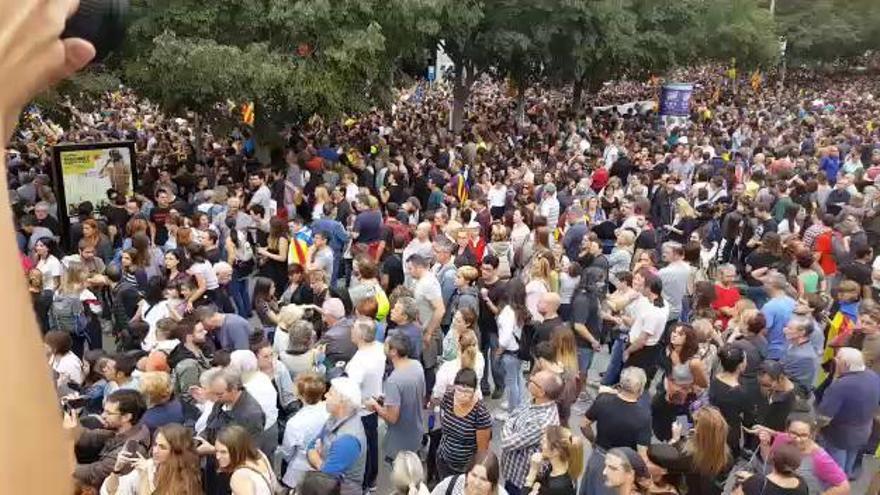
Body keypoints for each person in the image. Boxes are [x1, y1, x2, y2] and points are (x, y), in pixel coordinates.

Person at [579, 367, 652, 495]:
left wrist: (593, 440)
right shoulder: (643, 416)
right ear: (640, 389)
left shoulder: (603, 400)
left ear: (621, 383)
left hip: (598, 457)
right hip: (621, 466)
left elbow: (584, 424)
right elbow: (642, 455)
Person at [64, 389, 151, 488]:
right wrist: (72, 414)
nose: (103, 416)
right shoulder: (125, 430)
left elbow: (87, 474)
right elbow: (85, 437)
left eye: (108, 413)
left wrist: (69, 441)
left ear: (126, 417)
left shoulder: (129, 451)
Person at [816, 347, 880, 478]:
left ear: (845, 364)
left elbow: (825, 416)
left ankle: (837, 487)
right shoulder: (873, 376)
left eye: (838, 358)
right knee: (851, 456)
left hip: (839, 434)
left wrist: (815, 428)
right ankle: (847, 475)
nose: (835, 360)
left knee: (835, 468)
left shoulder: (840, 386)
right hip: (864, 429)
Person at [748, 415, 849, 494]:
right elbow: (769, 460)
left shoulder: (819, 458)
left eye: (803, 435)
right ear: (787, 430)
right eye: (793, 433)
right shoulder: (783, 439)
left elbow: (844, 486)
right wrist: (764, 444)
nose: (797, 439)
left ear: (812, 435)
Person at [501, 370, 563, 495]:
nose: (530, 379)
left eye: (534, 381)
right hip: (511, 473)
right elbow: (513, 416)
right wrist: (509, 424)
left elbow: (507, 443)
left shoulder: (543, 421)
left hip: (521, 482)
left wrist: (508, 426)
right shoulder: (534, 400)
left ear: (541, 392)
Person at [367, 334, 426, 463]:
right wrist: (387, 399)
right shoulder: (417, 365)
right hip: (416, 432)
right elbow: (418, 395)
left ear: (393, 352)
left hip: (399, 442)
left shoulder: (394, 380)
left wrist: (375, 406)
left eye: (387, 345)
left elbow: (392, 418)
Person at [100, 423, 201, 495]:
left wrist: (147, 476)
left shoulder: (186, 477)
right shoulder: (148, 466)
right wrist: (117, 470)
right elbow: (113, 491)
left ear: (176, 451)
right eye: (156, 445)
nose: (155, 451)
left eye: (162, 447)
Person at [345, 318, 387, 491]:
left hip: (361, 410)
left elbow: (351, 392)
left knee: (363, 450)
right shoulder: (379, 347)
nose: (351, 331)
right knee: (372, 444)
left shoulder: (358, 363)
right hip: (374, 401)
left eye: (353, 329)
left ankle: (365, 483)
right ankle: (372, 479)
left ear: (360, 335)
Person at [308, 376, 367, 495]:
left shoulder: (347, 440)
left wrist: (316, 458)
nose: (325, 396)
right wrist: (318, 458)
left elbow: (324, 477)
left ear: (342, 402)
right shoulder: (335, 417)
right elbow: (311, 445)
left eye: (330, 394)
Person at [436, 368, 492, 479]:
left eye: (467, 392)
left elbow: (482, 450)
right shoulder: (448, 397)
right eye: (459, 390)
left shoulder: (480, 413)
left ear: (475, 390)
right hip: (444, 459)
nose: (462, 395)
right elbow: (443, 422)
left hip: (465, 468)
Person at [280, 372, 330, 489]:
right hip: (324, 462)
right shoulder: (329, 410)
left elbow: (287, 452)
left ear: (300, 395)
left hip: (300, 469)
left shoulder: (295, 423)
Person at [409, 253, 446, 394]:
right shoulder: (421, 281)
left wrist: (429, 332)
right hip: (422, 328)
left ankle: (430, 396)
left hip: (428, 331)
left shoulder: (428, 283)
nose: (409, 271)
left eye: (410, 268)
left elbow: (440, 309)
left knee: (428, 365)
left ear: (419, 267)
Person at [708, 346, 753, 458]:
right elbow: (749, 418)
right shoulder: (741, 392)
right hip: (730, 431)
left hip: (713, 424)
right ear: (740, 365)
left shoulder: (716, 378)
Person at [496, 280, 529, 418]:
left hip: (509, 352)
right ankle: (518, 404)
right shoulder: (521, 309)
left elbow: (505, 336)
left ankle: (511, 412)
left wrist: (499, 351)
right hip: (519, 350)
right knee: (518, 378)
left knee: (511, 383)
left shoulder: (508, 312)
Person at [214, 424, 277, 495]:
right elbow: (274, 485)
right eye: (216, 451)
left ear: (237, 450)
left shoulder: (239, 477)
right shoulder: (260, 456)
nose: (217, 457)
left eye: (223, 452)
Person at [523, 425, 583, 495]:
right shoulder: (563, 465)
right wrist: (537, 486)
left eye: (544, 441)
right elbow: (542, 481)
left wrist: (533, 471)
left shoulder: (556, 487)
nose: (541, 443)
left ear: (555, 451)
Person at [761, 273, 797, 360]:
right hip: (791, 349)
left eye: (765, 283)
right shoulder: (793, 302)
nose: (763, 285)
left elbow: (763, 331)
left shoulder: (769, 307)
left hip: (773, 352)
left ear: (771, 285)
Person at [780, 317, 819, 394]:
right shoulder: (792, 343)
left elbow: (782, 374)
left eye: (790, 328)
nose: (784, 330)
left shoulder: (802, 356)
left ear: (802, 333)